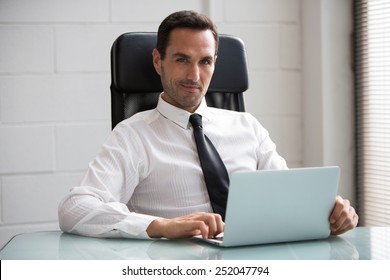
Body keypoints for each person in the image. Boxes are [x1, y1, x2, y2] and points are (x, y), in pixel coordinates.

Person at [58, 10, 358, 241]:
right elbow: (74, 209)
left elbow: (288, 200)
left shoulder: (247, 127)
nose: (194, 75)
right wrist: (161, 225)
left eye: (205, 61)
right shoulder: (132, 135)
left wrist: (329, 215)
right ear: (157, 61)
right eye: (181, 59)